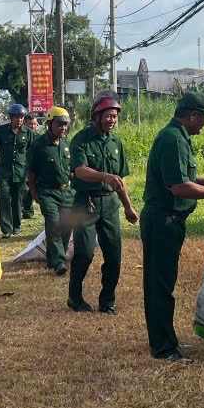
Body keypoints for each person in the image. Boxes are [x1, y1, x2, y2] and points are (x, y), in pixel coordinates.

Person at [140, 92, 204, 363]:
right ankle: (163, 348)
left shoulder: (179, 137)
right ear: (193, 115)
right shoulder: (172, 138)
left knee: (163, 282)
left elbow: (188, 177)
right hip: (162, 220)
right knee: (160, 285)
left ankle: (163, 340)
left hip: (170, 221)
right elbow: (180, 187)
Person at [66, 90, 138, 314]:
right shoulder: (81, 140)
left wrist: (127, 206)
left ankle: (107, 301)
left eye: (115, 116)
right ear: (96, 116)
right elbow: (80, 171)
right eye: (108, 115)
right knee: (85, 253)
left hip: (109, 206)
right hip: (85, 203)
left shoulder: (117, 143)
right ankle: (75, 299)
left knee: (114, 255)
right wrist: (104, 176)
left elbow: (120, 181)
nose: (112, 120)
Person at [26, 106, 74, 276]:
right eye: (59, 124)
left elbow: (71, 169)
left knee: (67, 225)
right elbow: (31, 172)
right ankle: (59, 261)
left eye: (65, 125)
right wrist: (33, 193)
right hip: (47, 192)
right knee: (53, 225)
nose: (63, 128)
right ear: (49, 124)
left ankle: (52, 258)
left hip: (66, 191)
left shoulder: (67, 144)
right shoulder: (38, 145)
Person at [0, 104, 33, 237]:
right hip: (4, 172)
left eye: (21, 117)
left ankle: (16, 227)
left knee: (17, 200)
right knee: (4, 198)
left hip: (21, 173)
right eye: (16, 117)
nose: (19, 120)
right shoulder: (1, 131)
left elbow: (33, 152)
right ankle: (6, 230)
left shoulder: (28, 133)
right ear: (10, 118)